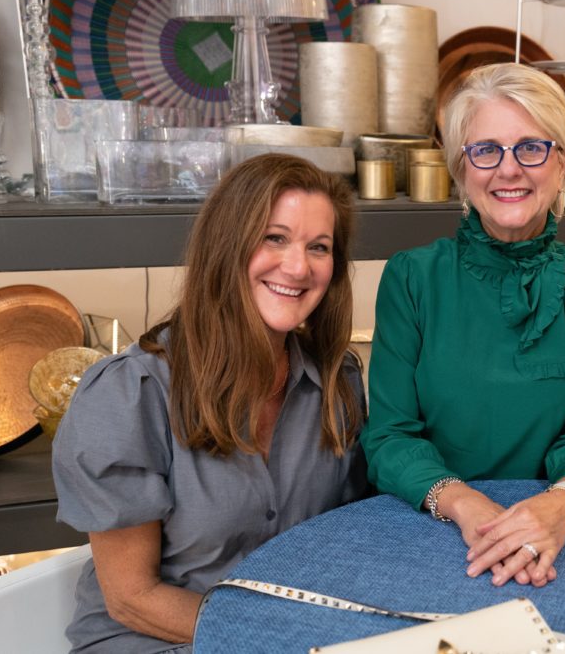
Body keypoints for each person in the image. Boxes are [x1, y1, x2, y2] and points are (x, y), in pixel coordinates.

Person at [52, 154, 369, 652]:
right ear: (227, 246)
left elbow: (351, 539)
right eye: (275, 238)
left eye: (320, 247)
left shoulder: (337, 382)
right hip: (158, 639)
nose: (298, 266)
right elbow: (132, 599)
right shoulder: (129, 394)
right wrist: (286, 635)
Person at [362, 62, 565, 588]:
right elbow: (391, 436)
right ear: (461, 169)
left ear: (564, 163)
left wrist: (561, 505)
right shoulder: (412, 278)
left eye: (531, 147)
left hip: (564, 532)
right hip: (433, 525)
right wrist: (465, 504)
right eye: (486, 150)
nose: (508, 169)